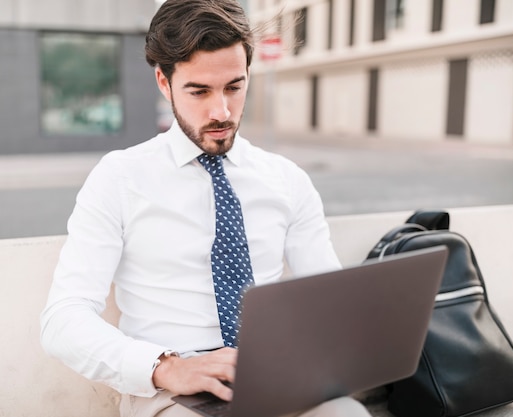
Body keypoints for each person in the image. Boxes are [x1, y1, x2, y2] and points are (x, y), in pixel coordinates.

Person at [40, 1, 372, 416]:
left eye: (234, 87)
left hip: (271, 375)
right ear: (164, 82)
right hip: (170, 392)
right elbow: (62, 320)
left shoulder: (286, 180)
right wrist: (167, 367)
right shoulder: (119, 178)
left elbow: (329, 300)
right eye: (199, 91)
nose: (221, 112)